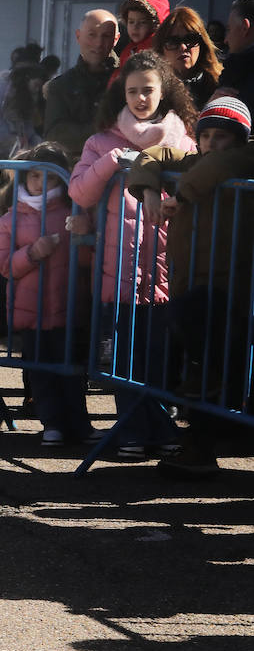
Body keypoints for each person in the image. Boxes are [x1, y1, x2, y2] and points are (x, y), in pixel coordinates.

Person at [68, 51, 195, 461]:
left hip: (164, 272)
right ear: (121, 93)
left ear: (164, 91)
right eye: (133, 91)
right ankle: (132, 432)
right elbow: (79, 192)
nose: (141, 98)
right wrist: (109, 163)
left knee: (157, 357)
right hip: (116, 270)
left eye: (149, 90)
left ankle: (157, 428)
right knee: (122, 360)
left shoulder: (183, 141)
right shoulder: (101, 141)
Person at [128, 96, 252, 477]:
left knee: (212, 368)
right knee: (201, 364)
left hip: (229, 287)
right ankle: (202, 444)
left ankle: (203, 446)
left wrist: (179, 196)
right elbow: (152, 155)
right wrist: (150, 189)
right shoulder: (192, 161)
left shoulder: (244, 159)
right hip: (189, 282)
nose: (213, 143)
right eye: (207, 135)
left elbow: (220, 162)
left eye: (223, 136)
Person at [0, 143, 95, 448]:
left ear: (61, 181)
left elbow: (90, 261)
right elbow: (3, 265)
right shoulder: (9, 218)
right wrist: (33, 253)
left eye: (48, 177)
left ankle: (79, 424)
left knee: (73, 373)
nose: (39, 182)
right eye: (34, 175)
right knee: (40, 372)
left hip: (67, 308)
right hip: (30, 312)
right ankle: (51, 424)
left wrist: (86, 234)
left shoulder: (74, 213)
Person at [44, 10, 119, 159]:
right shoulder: (61, 86)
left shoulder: (126, 81)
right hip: (74, 172)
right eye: (92, 34)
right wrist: (104, 131)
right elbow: (55, 136)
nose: (98, 43)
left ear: (115, 40)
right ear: (78, 36)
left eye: (106, 36)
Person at [153, 8, 222, 108]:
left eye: (190, 39)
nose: (183, 47)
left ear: (202, 44)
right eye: (173, 41)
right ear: (161, 50)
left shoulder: (220, 85)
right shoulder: (152, 88)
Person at [114, 0, 169, 76]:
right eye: (131, 22)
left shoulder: (158, 51)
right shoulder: (127, 51)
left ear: (155, 25)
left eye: (142, 22)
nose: (135, 27)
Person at [212, 0, 254, 107]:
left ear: (245, 27)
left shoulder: (239, 73)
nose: (226, 40)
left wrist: (212, 106)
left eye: (229, 29)